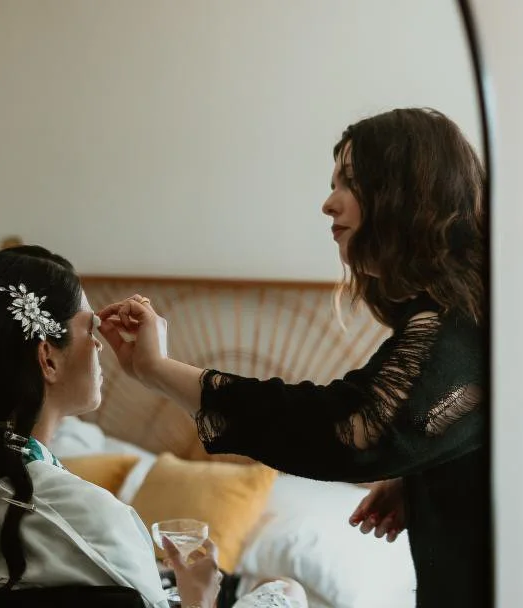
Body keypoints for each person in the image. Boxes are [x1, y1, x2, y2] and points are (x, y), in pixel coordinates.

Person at [98, 108, 489, 608]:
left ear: (403, 192)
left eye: (350, 182)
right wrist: (422, 469)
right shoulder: (467, 309)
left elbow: (349, 426)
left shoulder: (458, 322)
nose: (329, 204)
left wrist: (158, 370)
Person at [0, 246, 307, 608]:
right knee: (284, 590)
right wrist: (198, 595)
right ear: (47, 358)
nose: (102, 345)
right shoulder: (94, 518)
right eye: (90, 329)